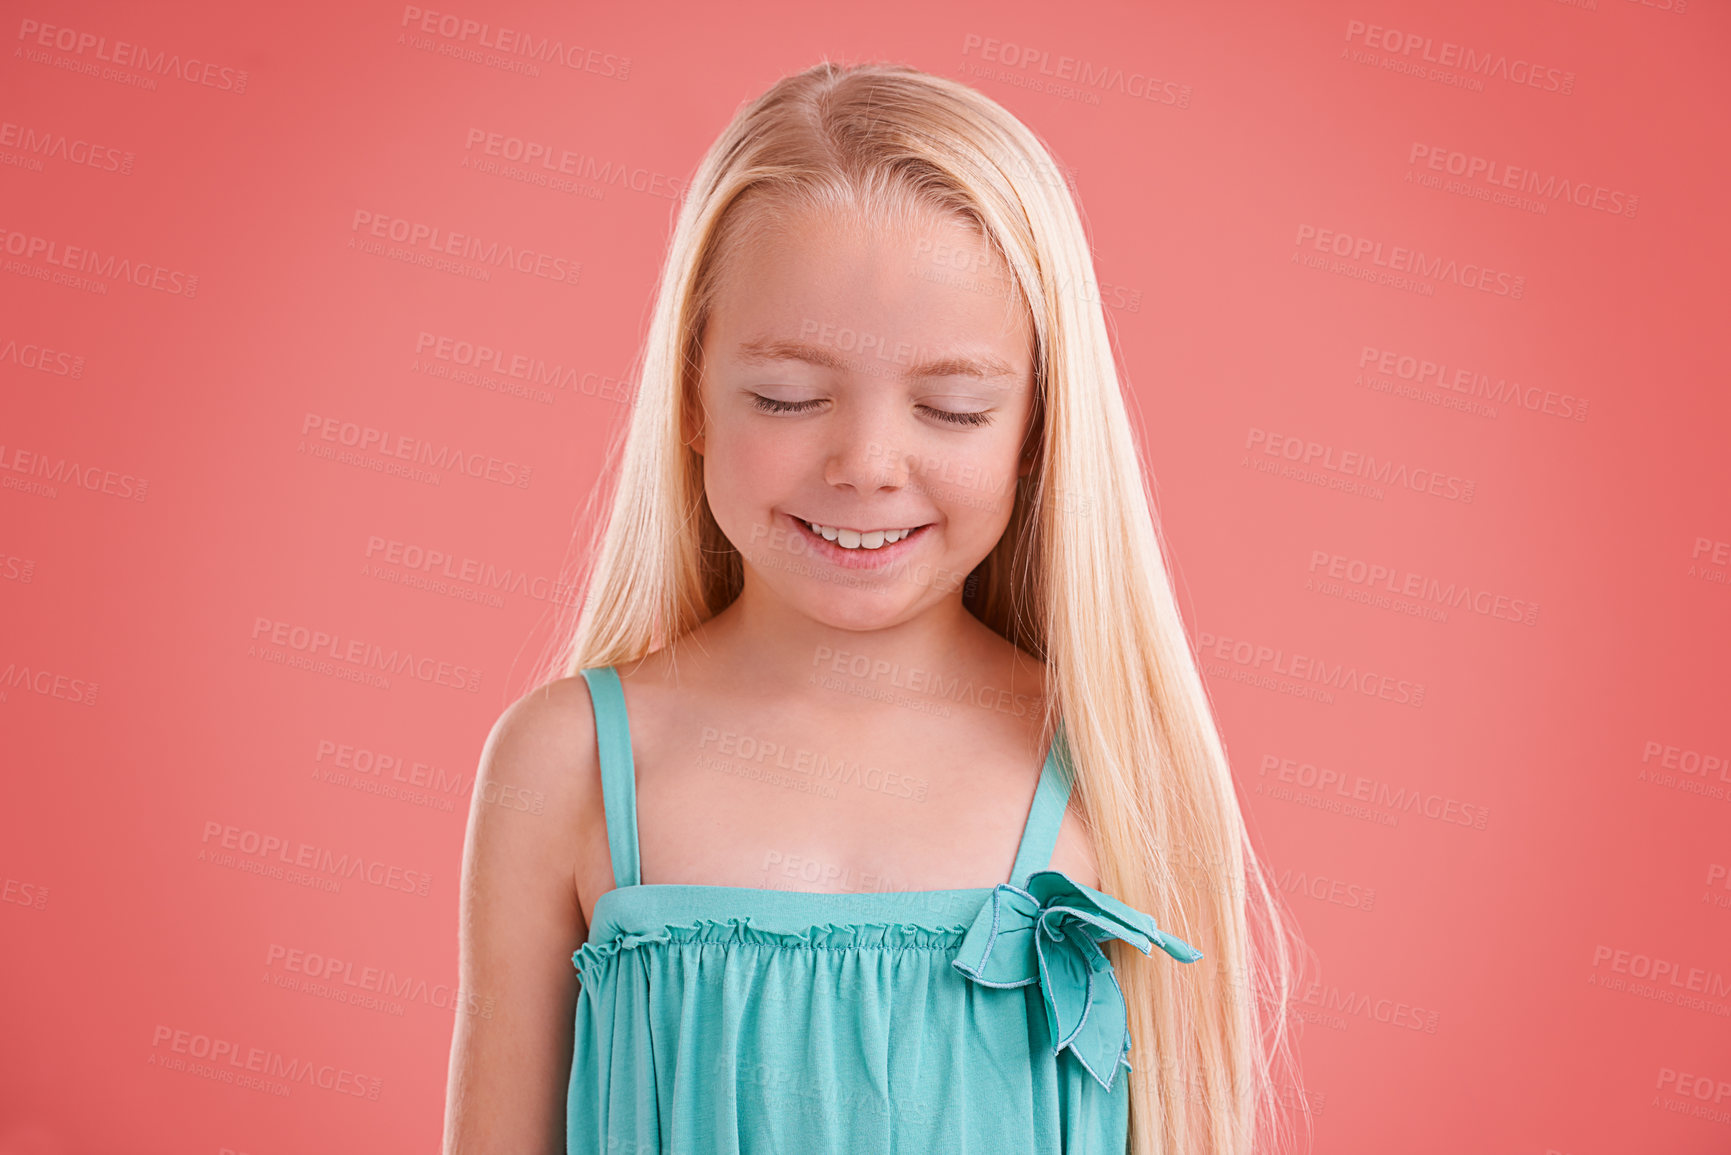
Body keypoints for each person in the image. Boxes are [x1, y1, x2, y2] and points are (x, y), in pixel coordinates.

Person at [443, 60, 1303, 1155]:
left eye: (953, 408)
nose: (866, 464)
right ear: (692, 396)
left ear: (1037, 432)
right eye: (788, 398)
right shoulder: (567, 764)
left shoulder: (1119, 761)